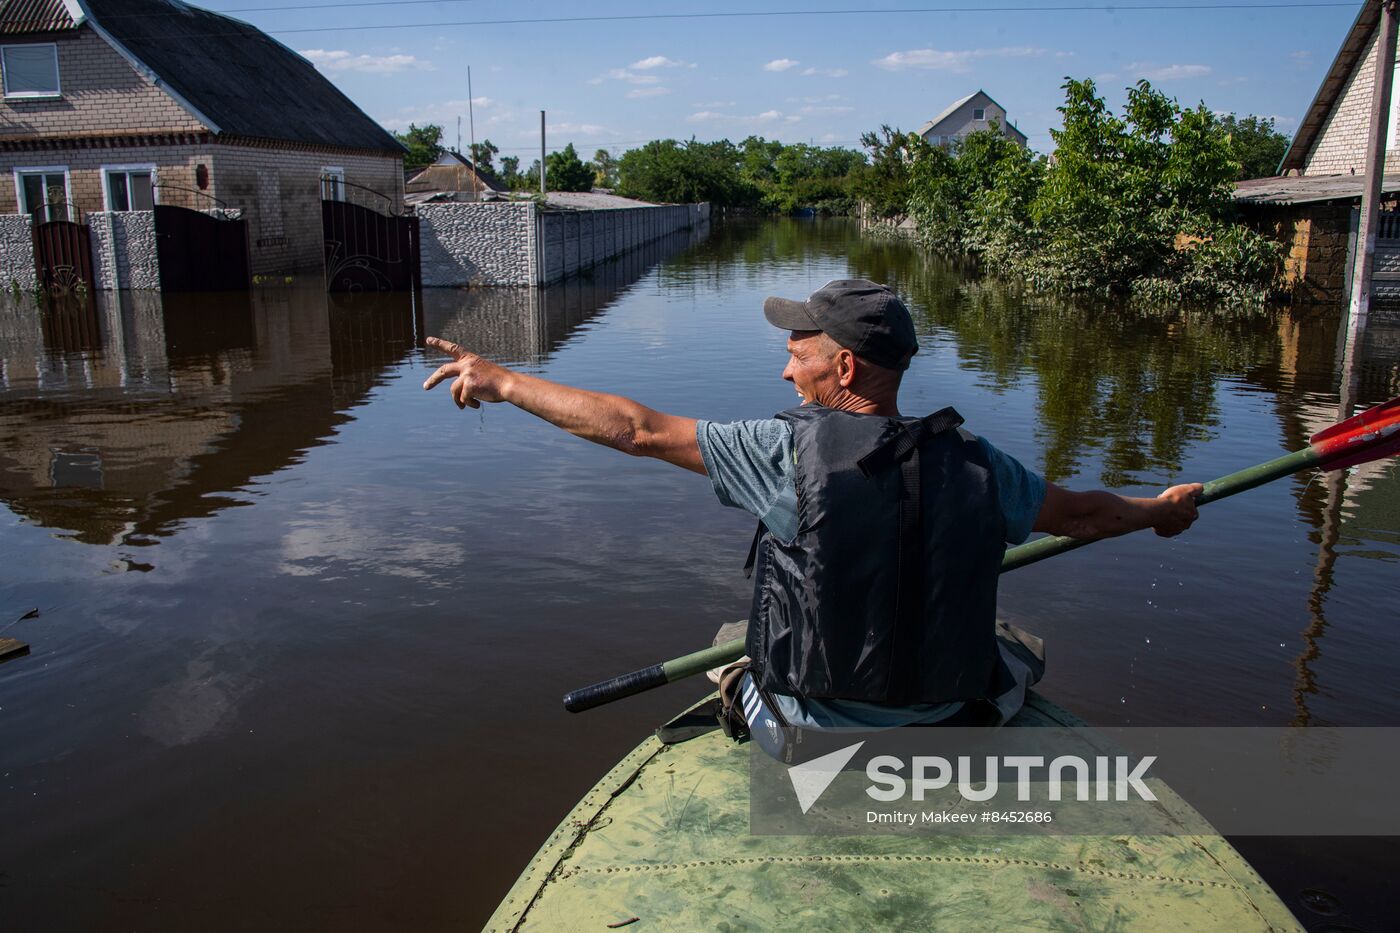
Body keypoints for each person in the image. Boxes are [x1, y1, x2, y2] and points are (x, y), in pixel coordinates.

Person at [423, 279, 1201, 732]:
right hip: (948, 724)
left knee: (739, 642)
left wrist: (504, 381)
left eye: (798, 357)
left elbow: (636, 431)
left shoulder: (783, 454)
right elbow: (1085, 515)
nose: (785, 372)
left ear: (845, 366)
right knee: (1017, 649)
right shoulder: (979, 463)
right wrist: (1159, 510)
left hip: (807, 734)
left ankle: (738, 686)